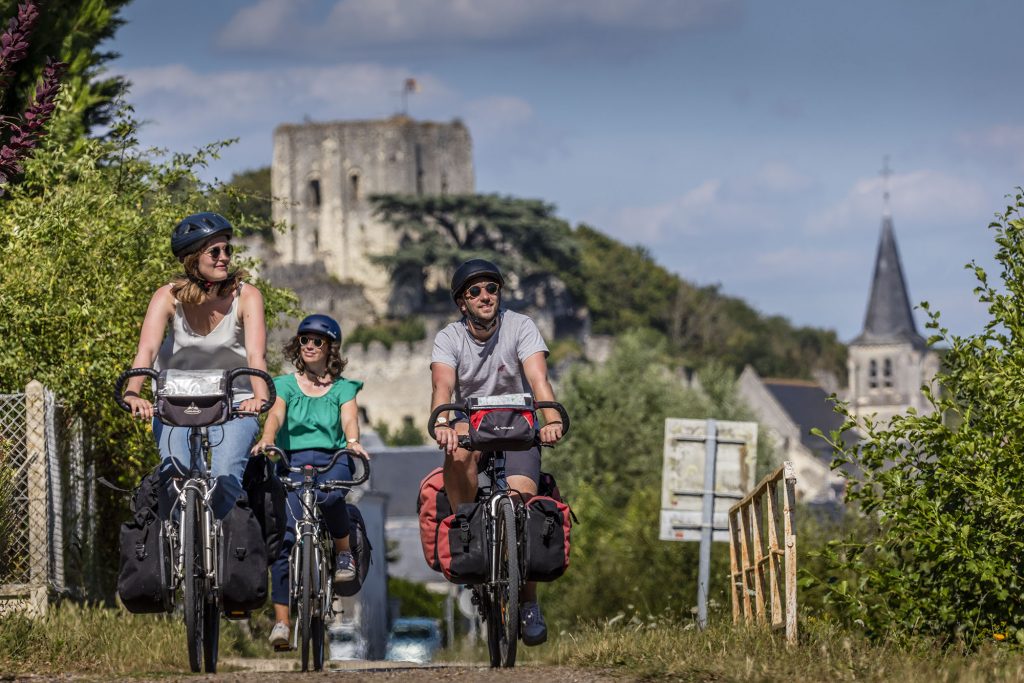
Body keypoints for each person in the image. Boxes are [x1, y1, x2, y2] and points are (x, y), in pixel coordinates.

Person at [430, 258, 564, 647]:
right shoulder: (448, 338)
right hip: (471, 426)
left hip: (518, 427)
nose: (485, 296)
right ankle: (467, 529)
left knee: (525, 503)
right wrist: (441, 424)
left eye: (492, 289)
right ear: (462, 303)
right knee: (455, 455)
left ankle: (529, 604)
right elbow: (442, 387)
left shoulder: (521, 326)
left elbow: (539, 379)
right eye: (475, 292)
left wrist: (550, 417)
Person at [122, 212, 270, 520]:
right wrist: (133, 392)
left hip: (235, 401)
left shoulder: (247, 296)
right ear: (192, 259)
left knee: (226, 477)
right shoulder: (167, 297)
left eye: (227, 250)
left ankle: (208, 538)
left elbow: (256, 356)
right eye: (215, 251)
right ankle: (180, 550)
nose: (224, 258)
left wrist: (260, 397)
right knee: (176, 473)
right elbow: (146, 349)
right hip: (176, 400)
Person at [251, 314, 369, 649]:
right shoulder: (285, 384)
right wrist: (268, 438)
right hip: (291, 462)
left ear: (331, 347)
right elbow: (275, 413)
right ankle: (282, 623)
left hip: (332, 460)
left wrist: (353, 441)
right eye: (304, 340)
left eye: (317, 341)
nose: (310, 346)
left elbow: (349, 417)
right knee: (285, 537)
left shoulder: (343, 388)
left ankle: (344, 555)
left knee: (332, 500)